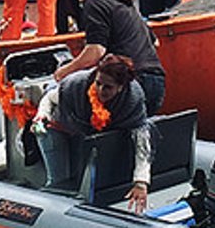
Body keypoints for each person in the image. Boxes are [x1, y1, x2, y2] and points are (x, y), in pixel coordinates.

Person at [36, 56, 153, 212]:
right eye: (98, 83)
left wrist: (141, 182)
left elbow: (142, 141)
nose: (100, 90)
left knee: (83, 179)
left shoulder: (133, 100)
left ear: (120, 87)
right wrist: (43, 115)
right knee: (59, 179)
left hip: (85, 132)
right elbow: (49, 98)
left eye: (108, 87)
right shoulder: (76, 85)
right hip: (57, 126)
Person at [63, 0, 167, 112]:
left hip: (130, 81)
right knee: (143, 132)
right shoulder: (124, 3)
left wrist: (65, 71)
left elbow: (96, 50)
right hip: (156, 80)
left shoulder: (94, 3)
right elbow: (155, 42)